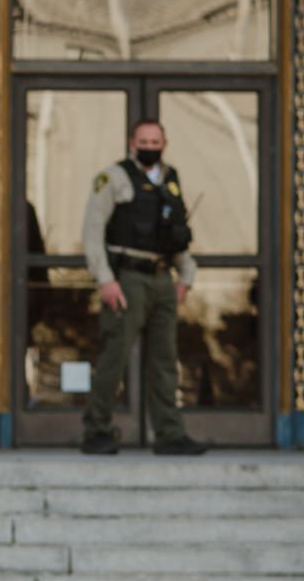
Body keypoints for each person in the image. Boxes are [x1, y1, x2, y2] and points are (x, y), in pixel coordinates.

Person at [80, 118, 209, 456]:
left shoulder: (171, 179)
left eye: (156, 142)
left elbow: (176, 232)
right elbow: (93, 233)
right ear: (131, 143)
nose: (150, 147)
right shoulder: (113, 178)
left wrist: (185, 277)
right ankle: (97, 429)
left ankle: (169, 434)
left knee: (166, 360)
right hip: (127, 279)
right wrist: (105, 280)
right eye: (144, 141)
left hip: (163, 278)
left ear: (164, 144)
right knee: (115, 357)